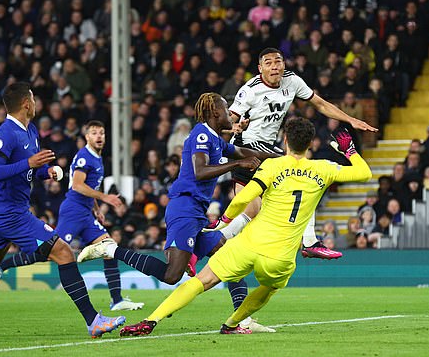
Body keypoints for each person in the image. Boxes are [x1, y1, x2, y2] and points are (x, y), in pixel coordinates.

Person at [118, 119, 372, 336]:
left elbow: (241, 198)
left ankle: (152, 319)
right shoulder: (324, 169)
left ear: (285, 140)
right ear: (310, 144)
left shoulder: (273, 166)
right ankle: (232, 323)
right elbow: (364, 173)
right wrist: (349, 150)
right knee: (268, 288)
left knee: (203, 280)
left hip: (249, 244)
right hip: (280, 256)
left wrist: (225, 220)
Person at [0, 82, 125, 338]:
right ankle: (93, 321)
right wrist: (29, 162)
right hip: (8, 212)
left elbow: (29, 169)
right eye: (33, 98)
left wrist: (47, 172)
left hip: (5, 210)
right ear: (26, 103)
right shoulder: (6, 133)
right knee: (63, 252)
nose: (36, 102)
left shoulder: (31, 131)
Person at [77, 93, 276, 331]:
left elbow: (243, 153)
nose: (229, 114)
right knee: (172, 275)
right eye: (226, 110)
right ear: (215, 112)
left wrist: (281, 159)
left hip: (196, 211)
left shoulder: (215, 138)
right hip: (185, 208)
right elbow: (201, 171)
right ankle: (110, 249)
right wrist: (236, 165)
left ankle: (241, 320)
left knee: (228, 257)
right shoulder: (201, 134)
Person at [214, 47, 376, 260]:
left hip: (268, 148)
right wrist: (232, 127)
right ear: (260, 68)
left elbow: (319, 103)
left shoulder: (292, 81)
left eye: (278, 61)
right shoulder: (250, 89)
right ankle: (309, 241)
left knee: (251, 210)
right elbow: (226, 120)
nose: (274, 66)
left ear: (284, 64)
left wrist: (351, 119)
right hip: (246, 147)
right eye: (269, 63)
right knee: (302, 174)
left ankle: (212, 242)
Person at [0, 120, 144, 311]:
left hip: (85, 213)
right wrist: (104, 198)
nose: (99, 136)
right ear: (86, 137)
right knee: (49, 252)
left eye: (101, 133)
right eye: (94, 133)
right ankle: (0, 267)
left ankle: (117, 300)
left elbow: (88, 187)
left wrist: (96, 209)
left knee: (109, 248)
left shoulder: (97, 157)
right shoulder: (85, 157)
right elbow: (77, 185)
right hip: (73, 212)